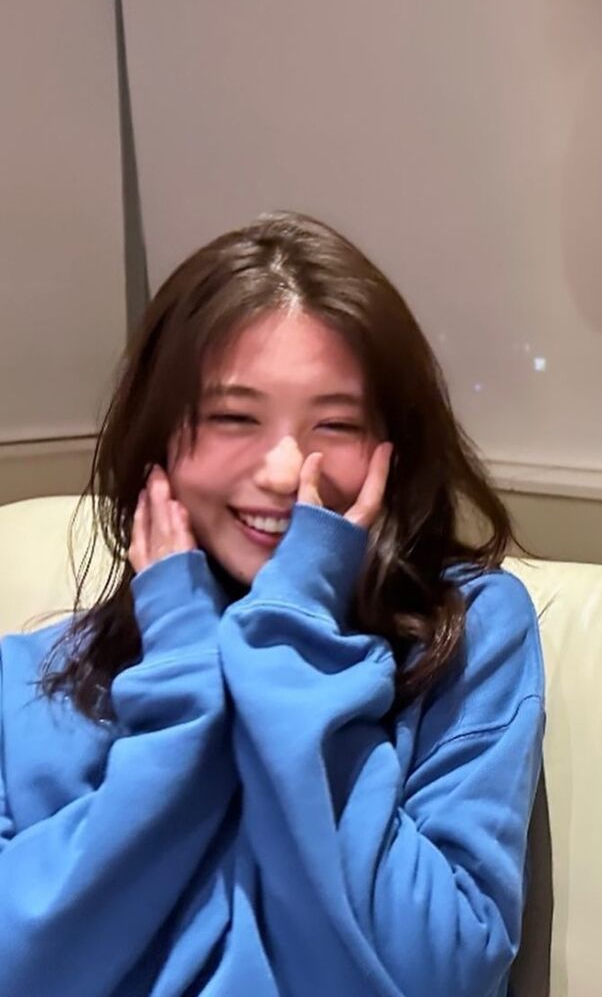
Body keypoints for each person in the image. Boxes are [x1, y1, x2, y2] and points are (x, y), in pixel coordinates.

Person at [0, 211, 545, 995]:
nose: (287, 470)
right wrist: (183, 680)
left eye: (336, 424)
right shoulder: (31, 683)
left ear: (393, 446)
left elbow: (440, 971)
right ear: (157, 439)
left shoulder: (466, 635)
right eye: (233, 418)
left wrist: (296, 640)